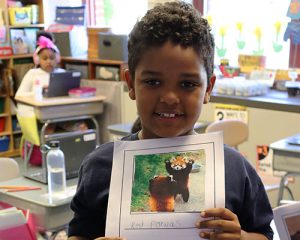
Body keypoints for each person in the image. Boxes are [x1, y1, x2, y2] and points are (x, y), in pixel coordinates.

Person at [68, 1, 273, 240]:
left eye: (188, 84)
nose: (169, 98)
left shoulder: (236, 169)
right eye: (153, 82)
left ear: (208, 89)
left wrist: (243, 238)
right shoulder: (100, 166)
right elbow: (78, 234)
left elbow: (264, 234)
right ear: (130, 84)